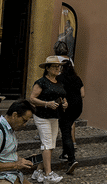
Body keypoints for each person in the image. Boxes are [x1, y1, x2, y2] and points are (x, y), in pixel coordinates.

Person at [29, 55, 68, 183]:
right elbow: (32, 98)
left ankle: (38, 171)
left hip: (54, 117)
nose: (58, 69)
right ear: (48, 68)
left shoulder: (59, 82)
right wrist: (47, 103)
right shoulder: (41, 82)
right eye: (55, 67)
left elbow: (62, 96)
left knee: (51, 144)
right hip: (42, 116)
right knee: (47, 143)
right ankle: (48, 174)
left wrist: (65, 103)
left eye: (59, 67)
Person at [0, 99, 36, 184]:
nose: (24, 125)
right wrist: (16, 164)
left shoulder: (9, 129)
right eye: (24, 120)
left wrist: (23, 161)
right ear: (14, 115)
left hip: (12, 175)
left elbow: (5, 155)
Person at [57, 57, 84, 175]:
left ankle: (71, 158)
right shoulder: (77, 78)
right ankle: (64, 153)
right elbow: (83, 94)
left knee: (66, 131)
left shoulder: (60, 78)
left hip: (66, 107)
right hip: (77, 107)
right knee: (67, 127)